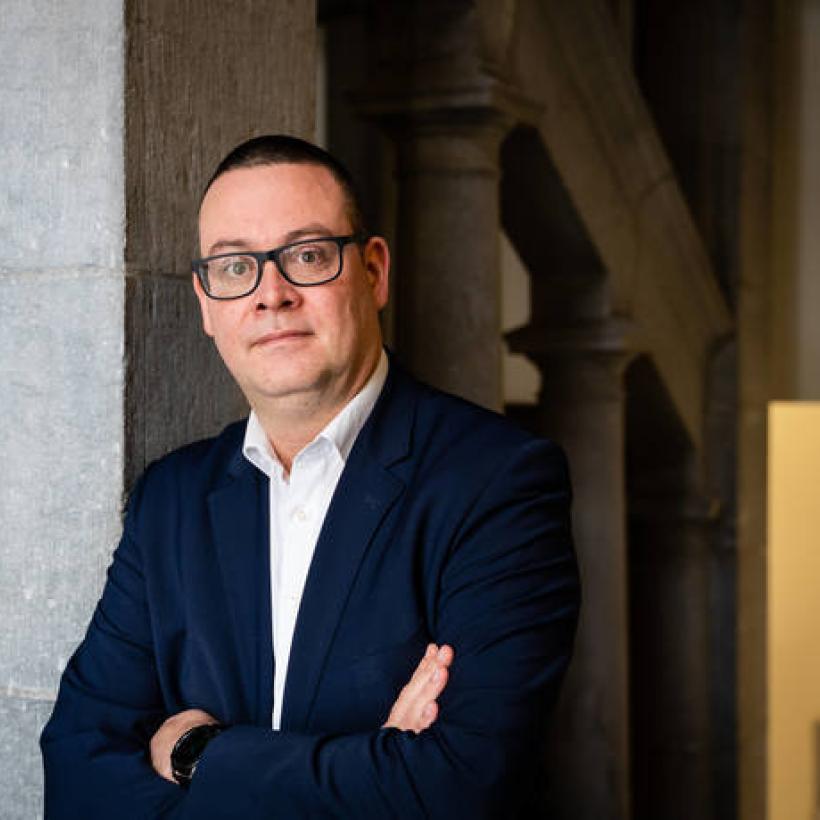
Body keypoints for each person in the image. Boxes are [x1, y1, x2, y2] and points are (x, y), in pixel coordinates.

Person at [41, 135, 580, 818]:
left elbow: (459, 788)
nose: (271, 294)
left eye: (307, 255)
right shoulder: (170, 501)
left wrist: (198, 753)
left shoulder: (497, 482)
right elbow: (78, 773)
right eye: (235, 266)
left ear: (374, 272)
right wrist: (373, 767)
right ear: (207, 304)